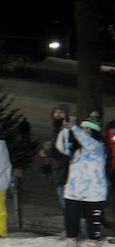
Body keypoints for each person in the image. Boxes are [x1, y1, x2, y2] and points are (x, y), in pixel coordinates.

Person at [56, 112, 107, 244]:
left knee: (93, 219)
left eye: (88, 129)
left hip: (94, 191)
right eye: (83, 128)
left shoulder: (98, 146)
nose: (84, 131)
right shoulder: (76, 149)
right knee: (71, 217)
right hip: (75, 190)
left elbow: (88, 142)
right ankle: (71, 239)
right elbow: (61, 146)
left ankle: (93, 241)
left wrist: (75, 128)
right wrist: (66, 130)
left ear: (94, 131)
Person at [39, 104, 72, 209]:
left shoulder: (67, 130)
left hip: (66, 170)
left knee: (66, 200)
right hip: (59, 169)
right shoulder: (56, 130)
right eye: (56, 112)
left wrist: (50, 153)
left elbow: (66, 150)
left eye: (61, 112)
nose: (57, 115)